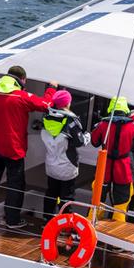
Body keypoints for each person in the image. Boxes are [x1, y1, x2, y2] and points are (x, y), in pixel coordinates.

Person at [0, 66, 56, 228]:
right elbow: (46, 104)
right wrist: (52, 88)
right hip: (14, 149)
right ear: (22, 80)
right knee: (15, 184)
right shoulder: (22, 97)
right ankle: (12, 220)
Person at [91, 96, 134, 222]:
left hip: (104, 167)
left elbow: (94, 141)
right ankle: (116, 230)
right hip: (123, 168)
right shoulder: (133, 126)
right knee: (122, 202)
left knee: (97, 198)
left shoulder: (102, 124)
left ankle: (92, 224)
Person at [40, 90, 90, 220]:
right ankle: (65, 223)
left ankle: (47, 219)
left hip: (51, 164)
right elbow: (80, 142)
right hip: (67, 165)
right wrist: (88, 136)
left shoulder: (46, 118)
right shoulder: (71, 121)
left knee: (51, 193)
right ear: (67, 103)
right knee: (67, 197)